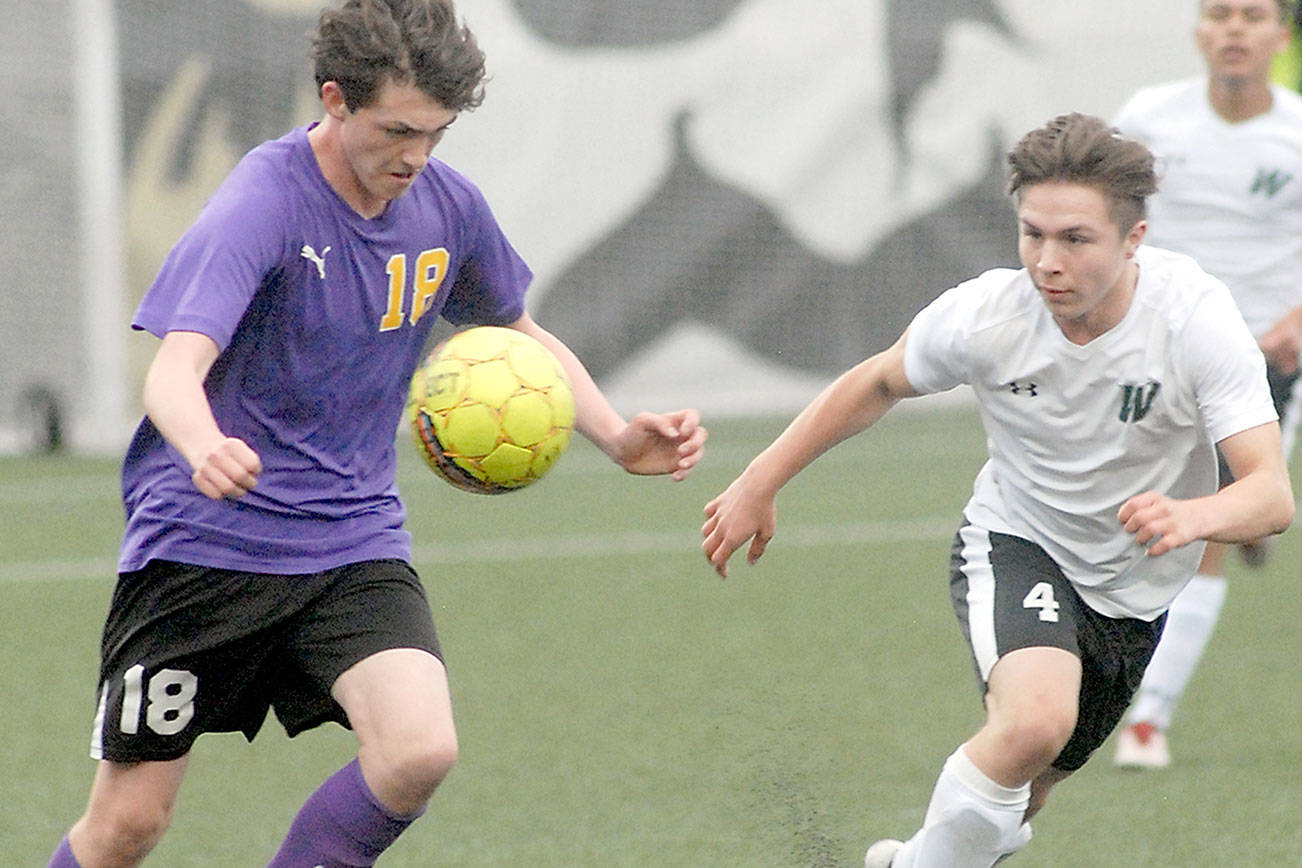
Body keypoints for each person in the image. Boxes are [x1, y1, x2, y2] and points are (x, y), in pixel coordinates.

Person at [46, 1, 707, 866]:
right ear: (334, 100)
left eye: (435, 134)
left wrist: (618, 436)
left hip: (351, 539)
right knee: (129, 827)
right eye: (397, 131)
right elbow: (173, 370)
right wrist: (203, 444)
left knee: (419, 750)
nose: (415, 156)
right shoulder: (266, 199)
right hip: (205, 547)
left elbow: (518, 334)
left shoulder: (446, 207)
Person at [700, 112, 1293, 867]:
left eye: (1075, 239)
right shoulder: (988, 314)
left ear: (1133, 239)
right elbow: (878, 380)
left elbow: (1271, 496)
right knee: (1033, 723)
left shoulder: (1196, 321)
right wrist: (761, 478)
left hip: (1135, 598)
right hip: (1019, 542)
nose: (1047, 261)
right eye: (1032, 234)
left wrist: (1194, 514)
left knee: (1020, 799)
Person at [1109, 0, 1302, 769]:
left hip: (1257, 360)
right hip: (1156, 350)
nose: (1233, 29)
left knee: (1218, 529)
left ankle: (1148, 719)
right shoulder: (1149, 118)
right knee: (1170, 518)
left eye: (1252, 15)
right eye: (1219, 13)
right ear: (1198, 33)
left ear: (1279, 38)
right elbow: (1102, 215)